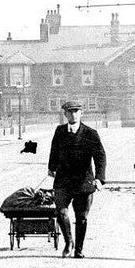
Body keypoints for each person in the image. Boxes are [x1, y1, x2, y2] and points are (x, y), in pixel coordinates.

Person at [48, 101, 107, 258]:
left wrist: (99, 179)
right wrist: (51, 167)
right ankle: (69, 243)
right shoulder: (60, 131)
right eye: (70, 112)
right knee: (61, 212)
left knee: (81, 217)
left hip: (83, 182)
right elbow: (54, 150)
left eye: (76, 111)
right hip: (63, 181)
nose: (73, 114)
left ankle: (79, 249)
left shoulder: (91, 133)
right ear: (65, 114)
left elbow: (100, 157)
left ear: (81, 114)